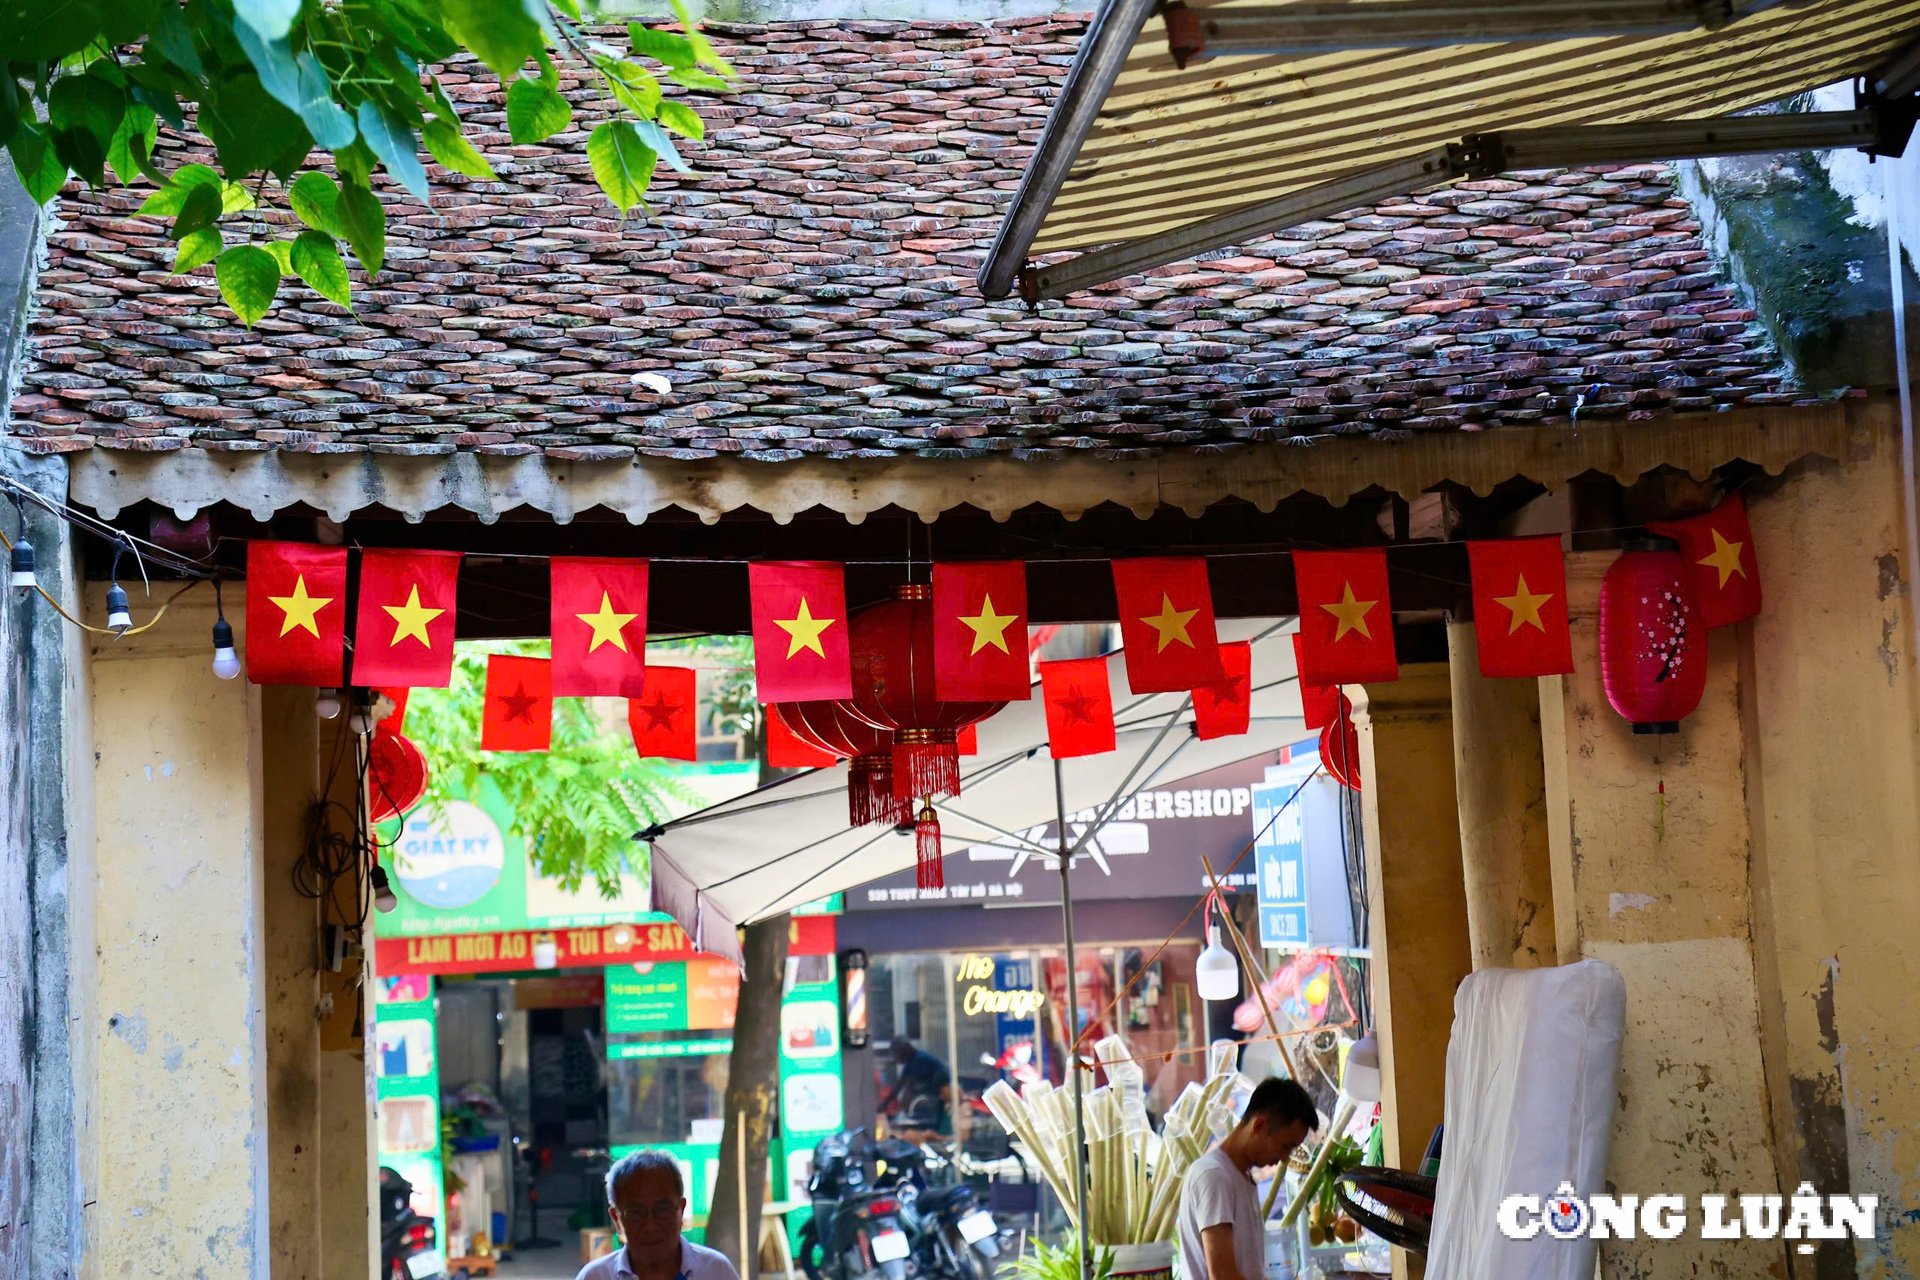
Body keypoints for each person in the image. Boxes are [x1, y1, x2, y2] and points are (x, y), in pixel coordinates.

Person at [1175, 1079, 1319, 1280]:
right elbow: (1223, 1275)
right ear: (1259, 1125)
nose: (1285, 1158)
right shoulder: (1214, 1176)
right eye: (1285, 1146)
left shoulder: (1241, 1177)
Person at [578, 1150, 740, 1280]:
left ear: (681, 1210)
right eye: (636, 1212)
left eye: (662, 1209)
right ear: (617, 1218)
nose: (650, 1226)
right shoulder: (595, 1276)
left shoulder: (716, 1271)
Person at [878, 1036, 951, 1128]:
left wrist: (888, 1106)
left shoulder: (919, 1060)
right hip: (933, 1097)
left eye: (897, 1054)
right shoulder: (913, 1061)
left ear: (905, 1050)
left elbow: (907, 1087)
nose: (897, 1058)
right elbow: (901, 1085)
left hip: (941, 1097)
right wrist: (886, 1104)